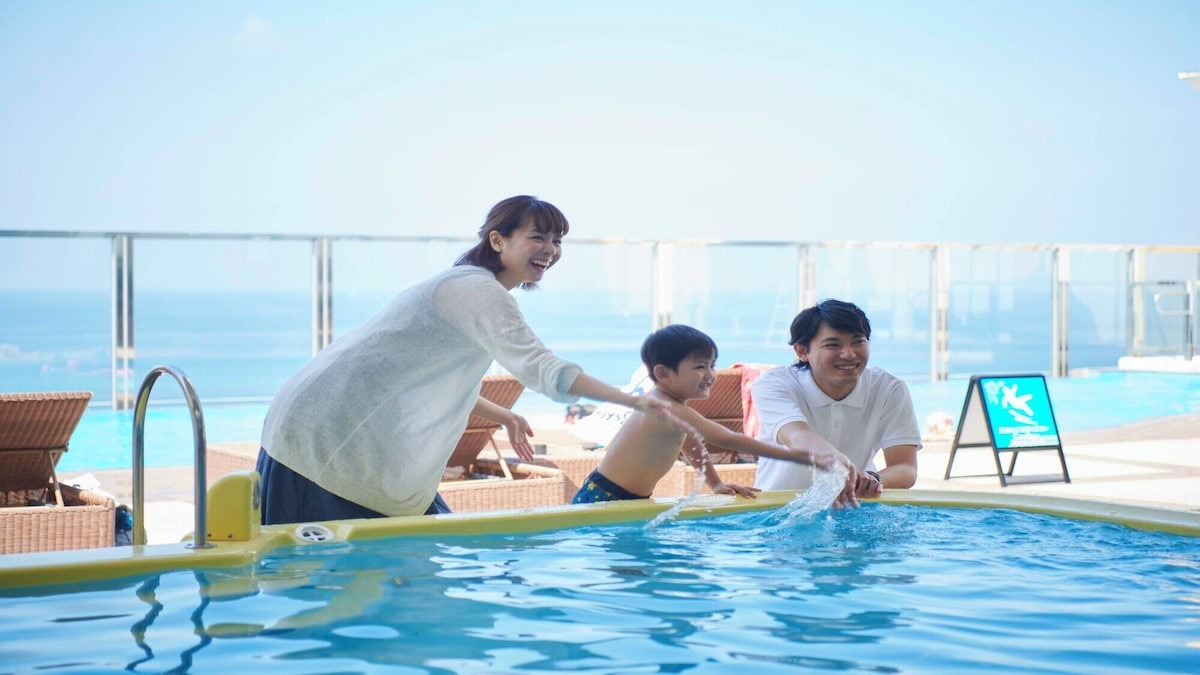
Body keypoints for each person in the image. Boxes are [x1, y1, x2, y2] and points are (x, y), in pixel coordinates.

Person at [256, 195, 690, 524]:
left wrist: (503, 414)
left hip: (315, 425)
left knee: (416, 561)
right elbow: (546, 372)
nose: (550, 249)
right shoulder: (476, 290)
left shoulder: (469, 287)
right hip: (325, 442)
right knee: (346, 581)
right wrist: (636, 401)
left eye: (557, 240)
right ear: (497, 240)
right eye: (537, 237)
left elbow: (418, 375)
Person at [572, 325, 851, 504]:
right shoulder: (664, 407)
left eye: (712, 365)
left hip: (625, 497)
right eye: (699, 367)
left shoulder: (673, 411)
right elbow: (728, 439)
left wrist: (715, 483)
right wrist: (798, 455)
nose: (710, 374)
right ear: (663, 373)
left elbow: (691, 444)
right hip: (604, 497)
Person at [751, 299, 922, 508]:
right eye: (833, 345)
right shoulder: (774, 384)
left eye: (858, 342)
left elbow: (906, 468)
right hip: (776, 511)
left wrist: (870, 480)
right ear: (802, 351)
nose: (849, 354)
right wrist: (836, 461)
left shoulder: (888, 388)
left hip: (853, 510)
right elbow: (796, 436)